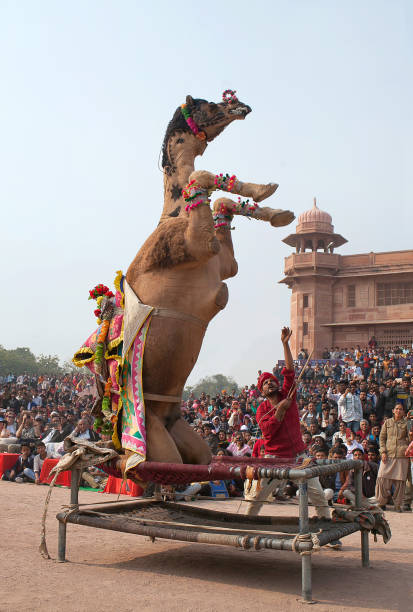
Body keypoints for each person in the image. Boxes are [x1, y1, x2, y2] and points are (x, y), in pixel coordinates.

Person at [244, 327, 330, 521]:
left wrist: (285, 343)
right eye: (265, 383)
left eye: (272, 381)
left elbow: (290, 371)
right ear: (262, 391)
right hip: (275, 458)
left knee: (318, 496)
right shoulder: (262, 409)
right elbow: (268, 431)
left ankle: (327, 526)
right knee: (257, 498)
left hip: (300, 456)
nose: (269, 384)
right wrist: (281, 410)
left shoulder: (288, 393)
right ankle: (246, 526)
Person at [375, 403, 410, 511]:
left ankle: (398, 505)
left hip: (402, 455)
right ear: (393, 410)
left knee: (400, 481)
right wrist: (383, 452)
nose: (398, 411)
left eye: (401, 409)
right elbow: (382, 438)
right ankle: (381, 502)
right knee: (382, 477)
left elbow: (410, 439)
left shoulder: (407, 423)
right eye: (397, 409)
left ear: (404, 412)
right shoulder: (387, 422)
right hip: (388, 454)